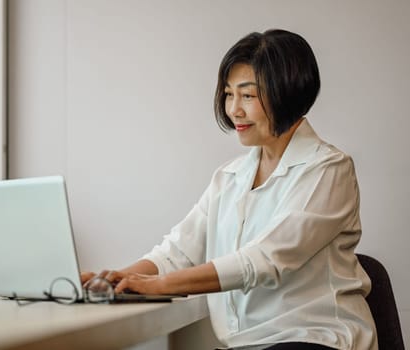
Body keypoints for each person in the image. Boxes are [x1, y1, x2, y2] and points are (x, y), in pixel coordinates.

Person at [82, 29, 378, 350]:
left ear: (287, 93)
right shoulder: (229, 176)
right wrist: (116, 281)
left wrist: (159, 285)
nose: (234, 109)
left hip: (315, 338)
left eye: (248, 96)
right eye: (228, 94)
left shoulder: (329, 169)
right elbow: (178, 253)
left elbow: (265, 259)